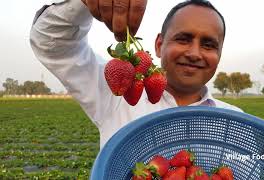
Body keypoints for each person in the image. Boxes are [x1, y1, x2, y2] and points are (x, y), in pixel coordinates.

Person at [30, 0, 242, 149]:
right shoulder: (116, 96)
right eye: (183, 39)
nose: (194, 53)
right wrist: (81, 4)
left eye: (208, 45)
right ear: (159, 45)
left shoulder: (238, 122)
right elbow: (51, 43)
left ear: (219, 54)